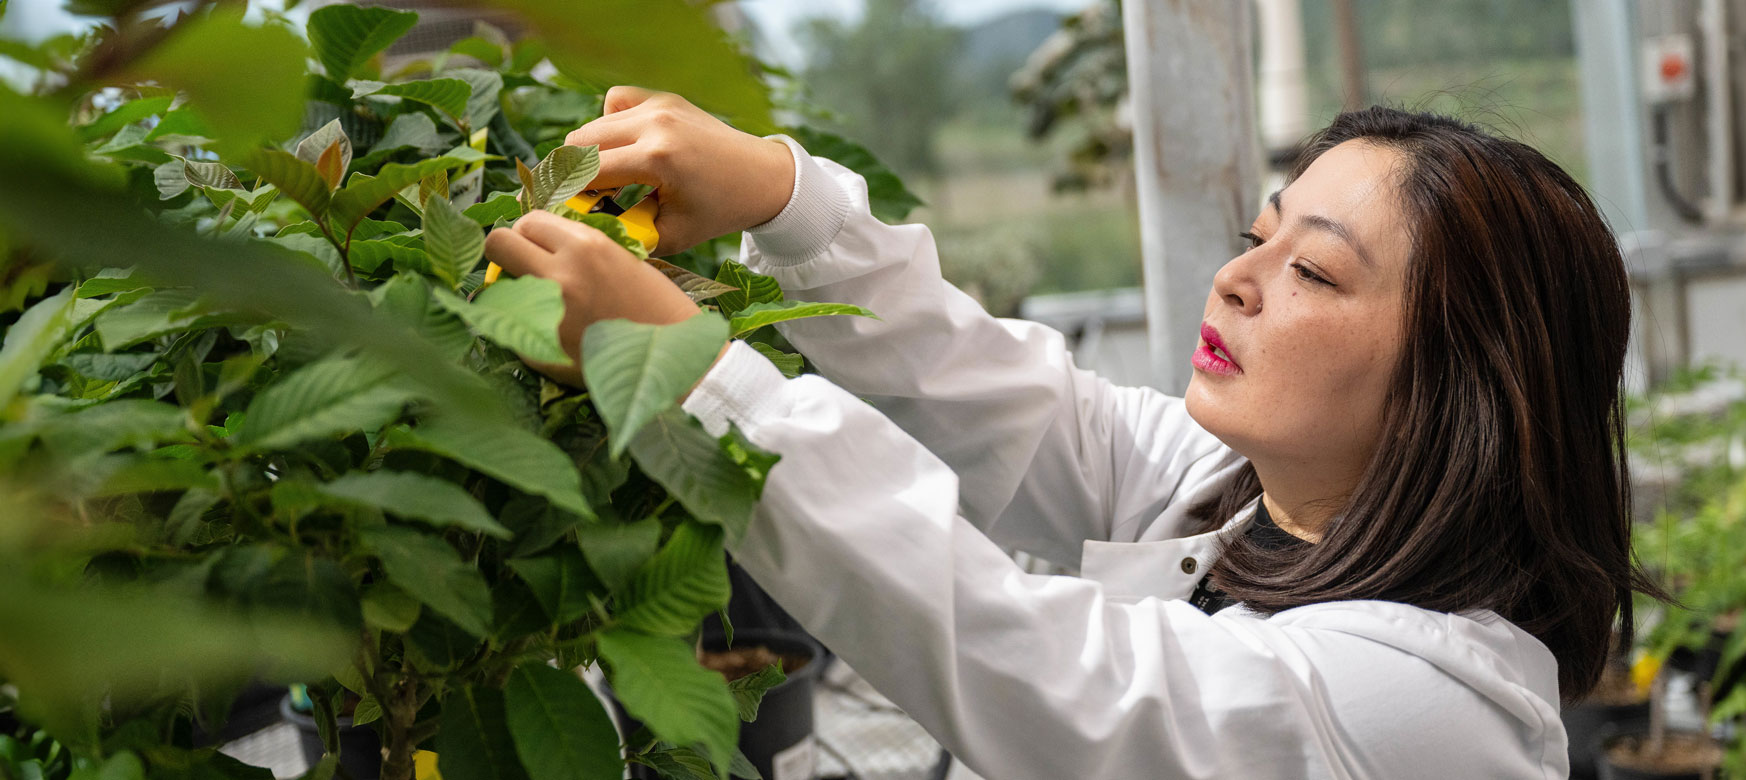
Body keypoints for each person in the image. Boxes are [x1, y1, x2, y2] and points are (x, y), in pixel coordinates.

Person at [483, 86, 1661, 779]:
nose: (1237, 279)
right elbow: (1010, 397)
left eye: (1311, 269)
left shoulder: (1425, 708)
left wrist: (690, 372)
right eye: (1257, 233)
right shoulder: (1242, 497)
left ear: (1463, 383)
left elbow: (1031, 662)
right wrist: (782, 198)